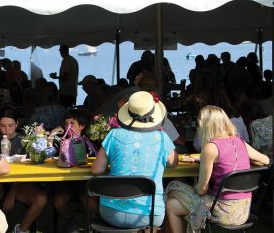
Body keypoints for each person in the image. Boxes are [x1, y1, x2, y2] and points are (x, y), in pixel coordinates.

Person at [165, 105, 269, 233]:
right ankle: (194, 223)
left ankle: (193, 224)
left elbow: (202, 190)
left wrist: (201, 172)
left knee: (173, 187)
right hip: (243, 210)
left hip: (222, 211)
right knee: (172, 204)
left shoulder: (210, 148)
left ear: (205, 125)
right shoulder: (239, 142)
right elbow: (266, 160)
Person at [92, 91, 178, 231]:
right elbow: (173, 163)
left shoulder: (114, 134)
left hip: (111, 213)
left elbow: (96, 170)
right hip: (149, 214)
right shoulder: (162, 138)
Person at [0, 108, 47, 233]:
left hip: (20, 185)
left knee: (40, 199)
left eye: (11, 125)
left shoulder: (26, 142)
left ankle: (21, 229)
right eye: (3, 126)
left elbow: (31, 170)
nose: (7, 130)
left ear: (17, 124)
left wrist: (13, 191)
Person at [53, 109, 97, 232]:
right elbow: (49, 156)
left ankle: (89, 225)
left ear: (82, 126)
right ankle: (72, 221)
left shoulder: (90, 142)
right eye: (66, 123)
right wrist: (52, 134)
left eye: (72, 123)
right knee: (59, 202)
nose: (68, 126)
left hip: (85, 183)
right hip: (65, 182)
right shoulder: (61, 142)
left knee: (91, 203)